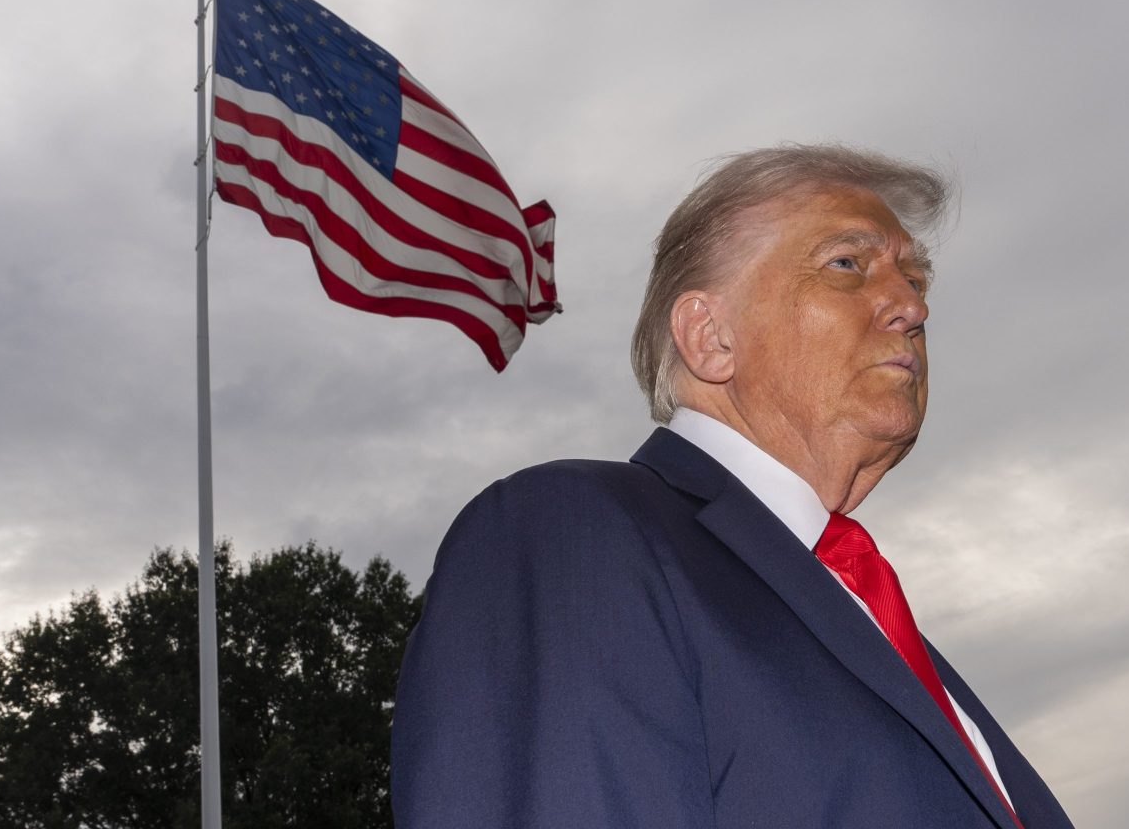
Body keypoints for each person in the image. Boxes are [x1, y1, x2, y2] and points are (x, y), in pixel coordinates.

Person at [391, 144, 1075, 828]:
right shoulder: (576, 535)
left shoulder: (874, 624)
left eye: (916, 279)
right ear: (710, 337)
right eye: (847, 265)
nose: (909, 306)